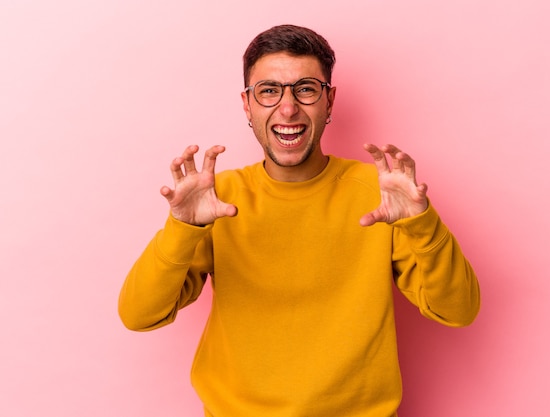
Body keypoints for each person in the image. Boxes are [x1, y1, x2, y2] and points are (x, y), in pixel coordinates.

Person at [119, 24, 480, 417]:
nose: (287, 108)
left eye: (305, 89)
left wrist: (421, 223)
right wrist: (183, 228)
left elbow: (459, 310)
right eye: (269, 90)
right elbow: (139, 314)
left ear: (329, 101)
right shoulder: (215, 201)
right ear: (247, 104)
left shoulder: (382, 194)